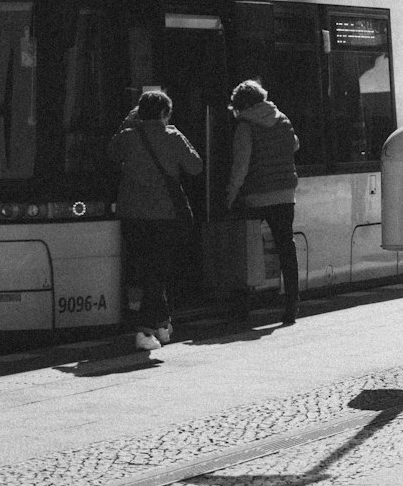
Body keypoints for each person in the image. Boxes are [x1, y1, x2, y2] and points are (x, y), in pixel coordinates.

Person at [108, 89, 203, 352]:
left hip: (132, 216)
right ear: (164, 113)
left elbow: (111, 155)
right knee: (157, 274)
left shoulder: (127, 137)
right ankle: (145, 331)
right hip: (164, 216)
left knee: (146, 270)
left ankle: (162, 324)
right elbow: (196, 166)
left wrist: (128, 124)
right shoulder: (173, 136)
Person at [226, 80, 301, 325]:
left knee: (244, 247)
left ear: (241, 105)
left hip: (256, 194)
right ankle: (291, 306)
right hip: (285, 194)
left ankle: (241, 306)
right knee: (286, 247)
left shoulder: (245, 127)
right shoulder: (283, 119)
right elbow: (295, 144)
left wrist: (230, 195)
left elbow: (240, 167)